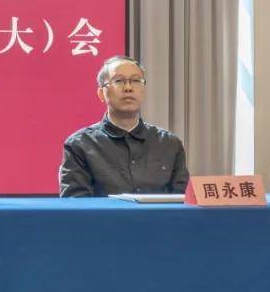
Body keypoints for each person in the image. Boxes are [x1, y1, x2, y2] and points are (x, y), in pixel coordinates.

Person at [59, 55, 189, 197]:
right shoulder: (80, 145)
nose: (128, 88)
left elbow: (184, 201)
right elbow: (76, 204)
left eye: (135, 81)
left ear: (143, 90)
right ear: (101, 93)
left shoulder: (169, 144)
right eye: (119, 81)